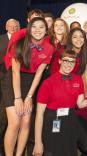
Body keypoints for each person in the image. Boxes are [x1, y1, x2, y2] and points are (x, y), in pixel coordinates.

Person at [33, 50, 87, 156]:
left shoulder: (78, 79)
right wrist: (38, 142)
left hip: (70, 120)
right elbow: (39, 115)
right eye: (66, 61)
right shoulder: (48, 83)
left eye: (72, 62)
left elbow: (80, 104)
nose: (69, 64)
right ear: (59, 61)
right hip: (53, 121)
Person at [1, 17, 54, 156]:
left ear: (46, 30)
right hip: (13, 80)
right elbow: (15, 72)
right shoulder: (19, 43)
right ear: (29, 29)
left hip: (31, 82)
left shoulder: (49, 48)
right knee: (15, 122)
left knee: (25, 122)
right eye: (34, 27)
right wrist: (18, 98)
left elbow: (38, 74)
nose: (37, 30)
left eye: (41, 27)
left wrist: (29, 96)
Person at [0, 19, 20, 155]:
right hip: (3, 82)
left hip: (18, 83)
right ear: (6, 27)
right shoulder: (0, 40)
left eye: (16, 26)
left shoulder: (22, 40)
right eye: (11, 26)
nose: (13, 28)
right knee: (2, 117)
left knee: (13, 120)